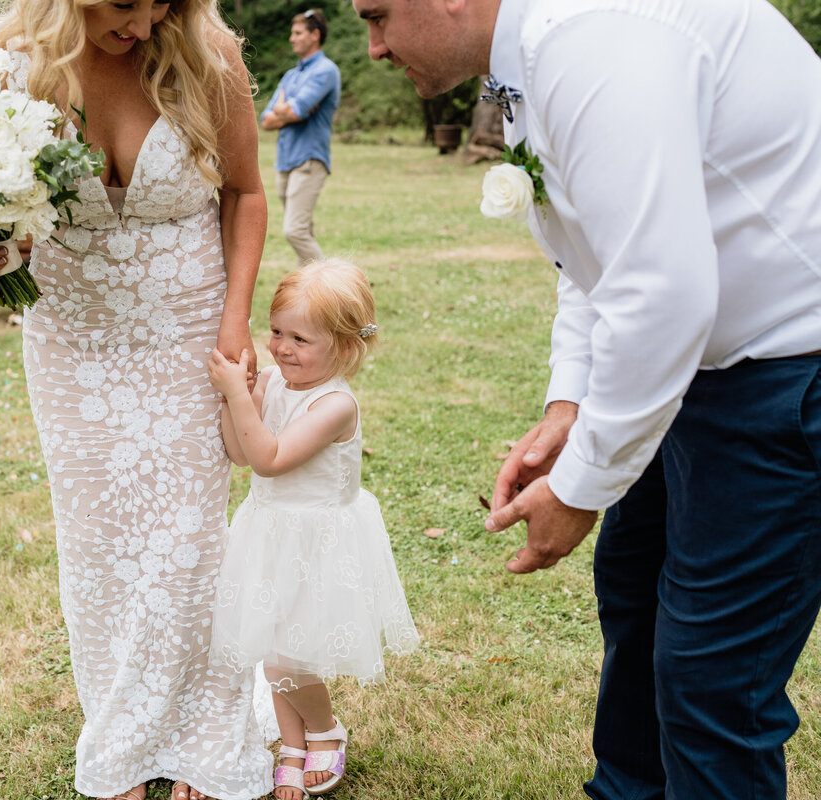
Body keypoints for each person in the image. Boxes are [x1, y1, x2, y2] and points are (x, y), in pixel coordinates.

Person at [350, 0, 821, 796]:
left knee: (711, 679)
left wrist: (579, 487)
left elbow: (663, 293)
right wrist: (569, 404)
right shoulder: (533, 54)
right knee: (635, 604)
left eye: (378, 16)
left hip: (785, 376)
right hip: (692, 377)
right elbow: (595, 254)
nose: (373, 48)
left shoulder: (596, 37)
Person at [0, 0, 271, 797]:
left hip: (186, 330)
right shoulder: (6, 64)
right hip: (72, 342)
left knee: (188, 541)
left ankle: (208, 736)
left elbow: (244, 192)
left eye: (164, 1)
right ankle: (127, 740)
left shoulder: (208, 55)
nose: (147, 21)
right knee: (99, 546)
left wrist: (235, 322)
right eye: (127, 5)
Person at [206, 259, 420, 800]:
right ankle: (293, 745)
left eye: (300, 338)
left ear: (345, 347)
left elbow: (270, 459)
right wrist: (250, 398)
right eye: (276, 331)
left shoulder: (335, 404)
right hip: (270, 532)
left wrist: (235, 396)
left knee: (286, 652)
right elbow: (238, 451)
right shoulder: (278, 380)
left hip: (318, 541)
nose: (281, 348)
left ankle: (326, 730)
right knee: (271, 639)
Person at [259, 9, 340, 266]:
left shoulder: (326, 70)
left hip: (309, 159)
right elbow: (266, 120)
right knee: (302, 231)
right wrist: (290, 112)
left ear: (315, 35)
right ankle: (310, 297)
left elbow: (295, 110)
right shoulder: (291, 76)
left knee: (294, 231)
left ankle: (331, 288)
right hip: (286, 161)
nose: (291, 38)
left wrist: (289, 110)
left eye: (298, 33)